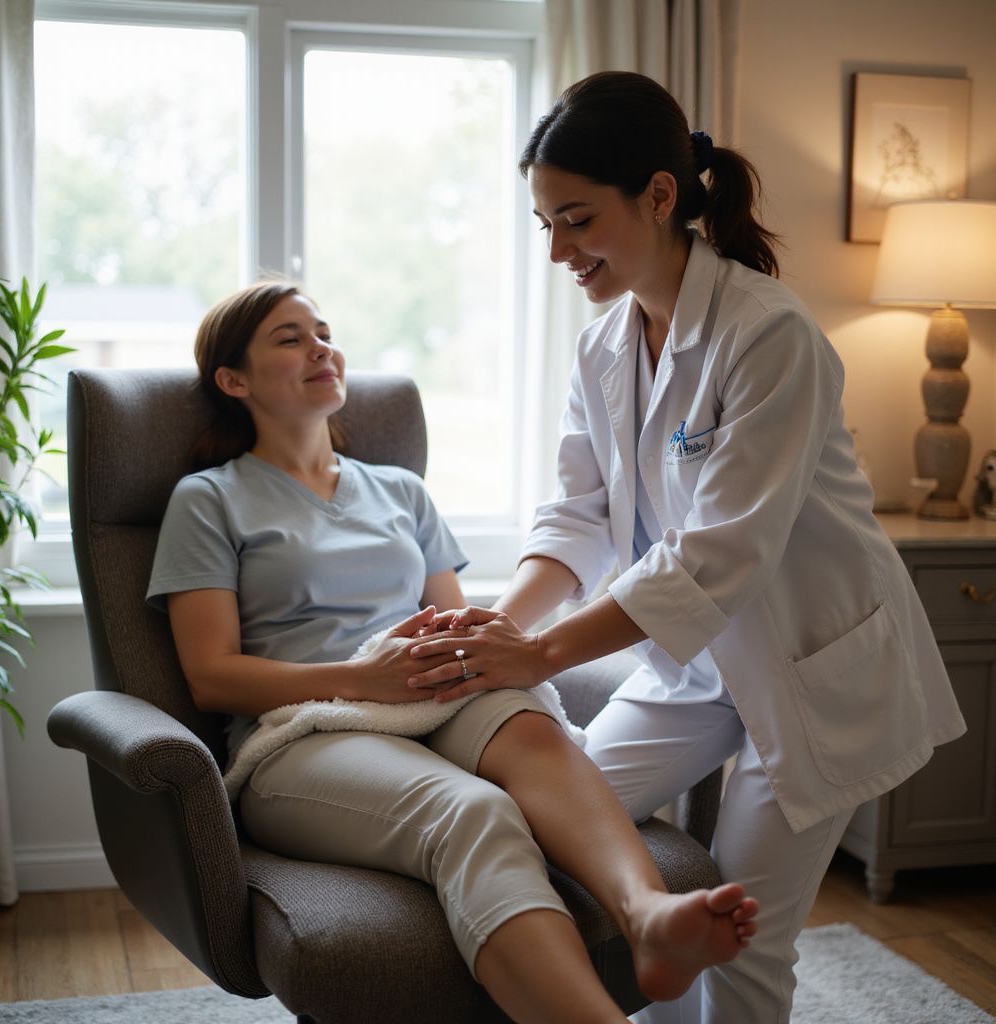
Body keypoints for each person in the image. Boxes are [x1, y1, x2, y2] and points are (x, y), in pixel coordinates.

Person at [405, 71, 967, 1023]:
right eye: (546, 225)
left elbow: (718, 553)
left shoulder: (770, 334)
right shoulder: (601, 348)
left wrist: (540, 653)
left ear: (659, 196)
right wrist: (495, 630)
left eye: (576, 220)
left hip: (811, 668)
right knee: (554, 820)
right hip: (696, 664)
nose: (557, 251)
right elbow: (577, 516)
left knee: (742, 944)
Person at [145, 280, 758, 1024]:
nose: (321, 348)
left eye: (325, 331)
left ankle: (647, 915)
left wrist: (481, 656)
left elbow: (452, 621)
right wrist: (361, 680)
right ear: (233, 380)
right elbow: (211, 678)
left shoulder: (401, 491)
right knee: (473, 810)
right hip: (303, 733)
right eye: (290, 337)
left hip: (427, 698)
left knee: (527, 722)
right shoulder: (208, 499)